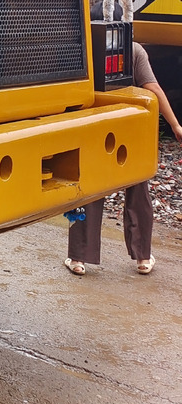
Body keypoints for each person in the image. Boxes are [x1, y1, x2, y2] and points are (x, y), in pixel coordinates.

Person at [65, 41, 182, 276]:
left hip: (95, 127)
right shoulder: (134, 49)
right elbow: (154, 90)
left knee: (89, 188)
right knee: (138, 186)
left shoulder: (84, 46)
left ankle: (78, 258)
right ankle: (143, 258)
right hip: (129, 128)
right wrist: (175, 124)